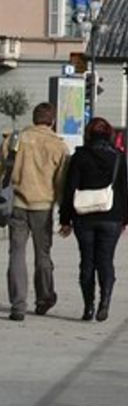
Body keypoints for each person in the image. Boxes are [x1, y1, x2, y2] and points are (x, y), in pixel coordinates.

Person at [1, 102, 69, 321]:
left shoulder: (15, 139)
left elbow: (3, 169)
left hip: (17, 204)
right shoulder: (58, 146)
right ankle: (44, 297)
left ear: (33, 118)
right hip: (43, 206)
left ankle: (18, 305)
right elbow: (61, 182)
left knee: (16, 254)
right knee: (43, 254)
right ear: (52, 121)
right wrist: (62, 209)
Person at [59, 117, 128, 322]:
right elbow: (123, 191)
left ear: (88, 134)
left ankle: (88, 307)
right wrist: (124, 219)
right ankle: (104, 302)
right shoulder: (118, 157)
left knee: (87, 262)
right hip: (112, 216)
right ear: (109, 135)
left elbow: (69, 189)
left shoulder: (80, 156)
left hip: (84, 217)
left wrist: (65, 220)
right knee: (106, 260)